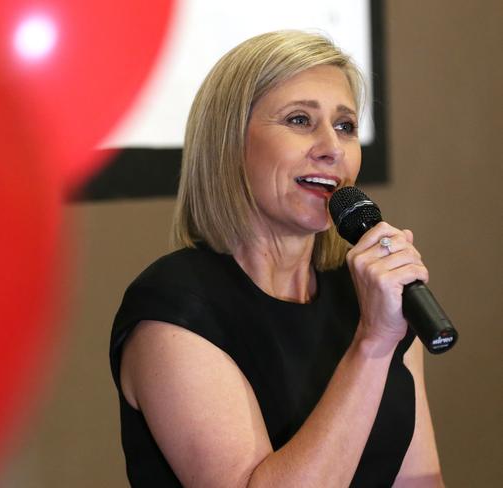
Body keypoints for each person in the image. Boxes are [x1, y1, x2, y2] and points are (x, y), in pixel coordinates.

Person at [109, 30, 444, 487]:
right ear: (230, 143)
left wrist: (383, 330)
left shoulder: (370, 297)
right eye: (300, 120)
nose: (331, 147)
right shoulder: (174, 313)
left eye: (345, 126)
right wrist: (372, 344)